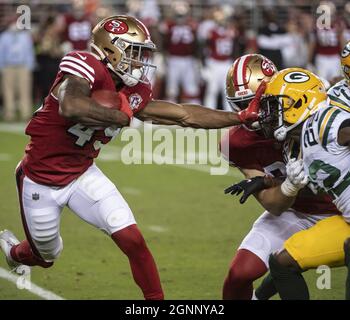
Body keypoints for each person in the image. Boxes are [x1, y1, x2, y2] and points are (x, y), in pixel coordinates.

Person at [0, 15, 258, 300]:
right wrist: (119, 116)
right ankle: (14, 251)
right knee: (47, 255)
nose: (139, 61)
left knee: (132, 239)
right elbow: (72, 106)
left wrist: (240, 117)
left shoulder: (132, 90)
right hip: (40, 180)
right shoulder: (83, 65)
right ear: (110, 49)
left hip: (82, 173)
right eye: (135, 53)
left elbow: (185, 115)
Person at [221, 54, 340, 300]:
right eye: (241, 106)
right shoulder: (237, 142)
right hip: (296, 210)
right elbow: (273, 205)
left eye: (255, 103)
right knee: (240, 274)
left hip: (340, 210)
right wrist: (289, 186)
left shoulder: (316, 116)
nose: (250, 115)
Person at [256, 66, 350, 300]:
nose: (273, 113)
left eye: (280, 104)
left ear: (300, 103)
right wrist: (261, 182)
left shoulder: (323, 120)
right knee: (282, 262)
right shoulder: (301, 141)